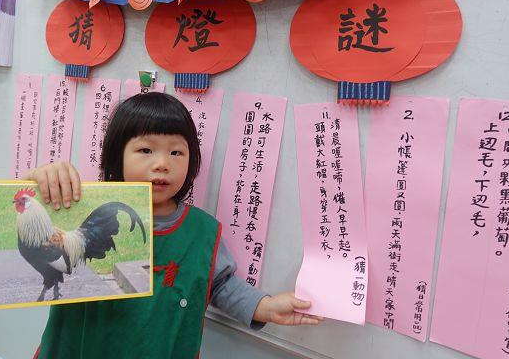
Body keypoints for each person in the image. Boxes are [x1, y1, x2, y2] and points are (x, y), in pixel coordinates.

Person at [27, 92, 321, 358]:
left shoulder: (202, 230)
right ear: (118, 155)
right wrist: (38, 183)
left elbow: (218, 284)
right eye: (146, 150)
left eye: (176, 152)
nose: (162, 163)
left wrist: (265, 307)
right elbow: (26, 240)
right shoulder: (81, 209)